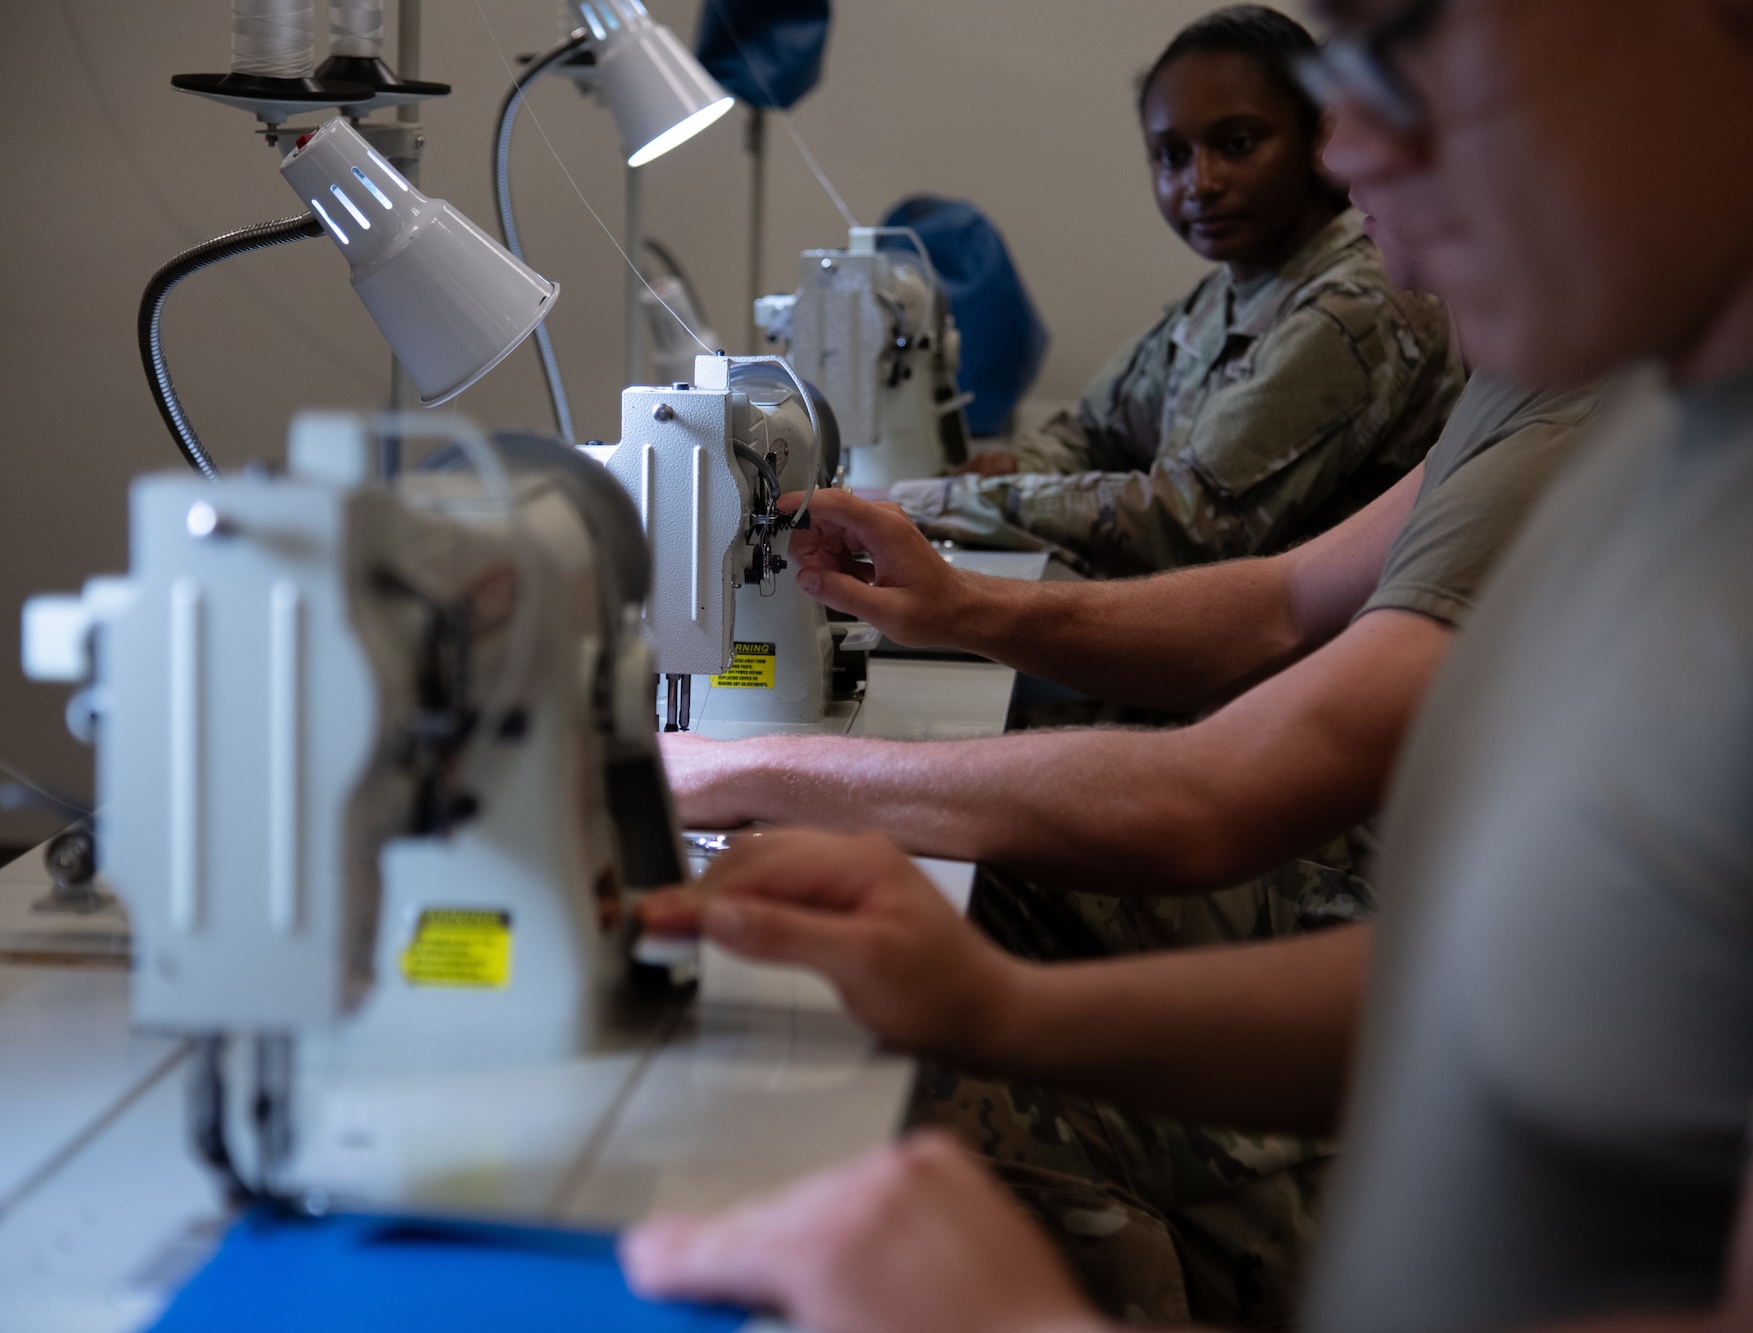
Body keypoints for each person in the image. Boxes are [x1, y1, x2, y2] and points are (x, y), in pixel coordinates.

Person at [622, 2, 1753, 1332]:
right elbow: (1503, 975)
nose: (1344, 146)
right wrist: (996, 1006)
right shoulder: (1662, 425)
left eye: (1401, 39)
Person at [659, 228, 1597, 1325]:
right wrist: (961, 608)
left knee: (857, 1090)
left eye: (1391, 73)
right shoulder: (1526, 374)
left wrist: (757, 765)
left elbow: (1206, 803)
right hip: (1418, 957)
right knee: (918, 906)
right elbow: (1277, 605)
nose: (1346, 147)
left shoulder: (1589, 421)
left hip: (1369, 948)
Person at [891, 7, 1460, 578]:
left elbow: (1192, 524)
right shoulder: (1231, 291)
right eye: (1172, 156)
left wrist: (929, 503)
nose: (1201, 183)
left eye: (1237, 144)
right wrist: (1009, 470)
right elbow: (1094, 433)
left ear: (1316, 139)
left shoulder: (1357, 305)